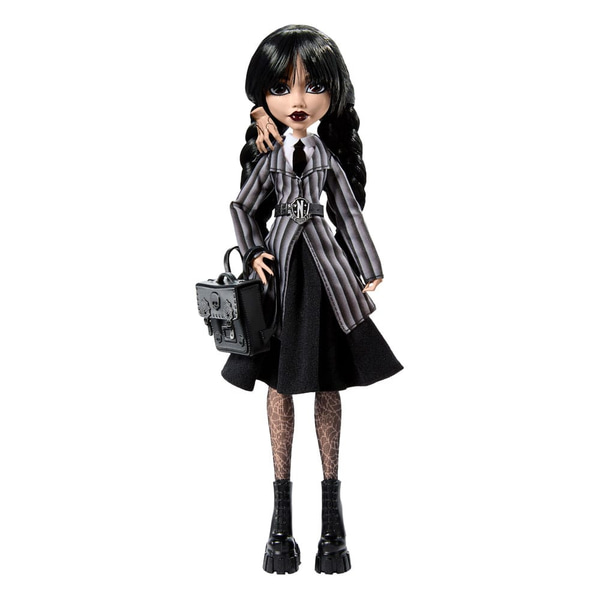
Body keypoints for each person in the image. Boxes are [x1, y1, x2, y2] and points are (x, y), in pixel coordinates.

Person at [221, 24, 403, 574]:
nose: (297, 100)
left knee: (327, 382)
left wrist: (368, 267)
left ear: (332, 92)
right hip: (280, 279)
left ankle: (332, 520)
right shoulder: (270, 156)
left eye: (312, 86)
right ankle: (280, 519)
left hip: (325, 274)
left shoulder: (326, 157)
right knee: (278, 384)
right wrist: (253, 251)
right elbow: (241, 206)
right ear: (264, 97)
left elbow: (347, 211)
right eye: (282, 88)